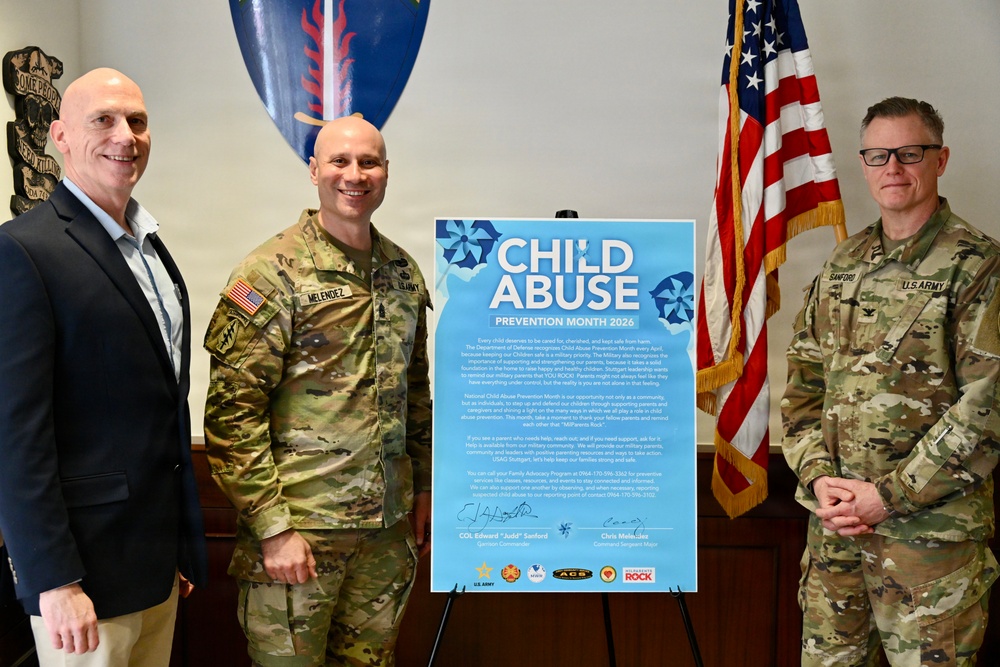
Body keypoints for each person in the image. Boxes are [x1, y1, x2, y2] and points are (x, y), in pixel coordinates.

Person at [203, 115, 432, 666]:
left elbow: (416, 391)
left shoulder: (402, 272)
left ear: (385, 172)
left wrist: (423, 490)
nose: (355, 175)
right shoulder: (270, 273)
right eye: (339, 161)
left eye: (369, 162)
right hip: (300, 532)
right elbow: (232, 415)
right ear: (314, 171)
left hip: (384, 533)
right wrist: (274, 529)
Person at [782, 96, 1000, 666]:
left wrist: (888, 497)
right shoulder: (843, 264)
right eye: (878, 156)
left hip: (929, 546)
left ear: (940, 159)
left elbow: (988, 406)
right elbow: (802, 391)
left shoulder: (977, 266)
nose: (893, 169)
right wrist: (819, 478)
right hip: (836, 537)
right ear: (863, 164)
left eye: (909, 152)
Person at [0, 68, 208, 664]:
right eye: (104, 120)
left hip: (154, 567)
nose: (126, 135)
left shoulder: (151, 248)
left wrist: (179, 550)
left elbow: (159, 410)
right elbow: (16, 436)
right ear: (61, 136)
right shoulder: (23, 251)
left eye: (137, 121)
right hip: (82, 582)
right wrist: (53, 581)